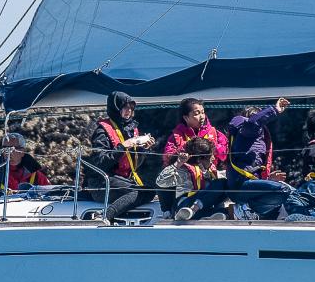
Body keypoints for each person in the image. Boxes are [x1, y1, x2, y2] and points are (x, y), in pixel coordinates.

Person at [88, 91, 155, 222]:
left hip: (122, 180)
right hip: (102, 182)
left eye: (131, 108)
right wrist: (123, 147)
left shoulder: (130, 129)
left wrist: (143, 149)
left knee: (151, 190)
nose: (128, 111)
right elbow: (100, 162)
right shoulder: (102, 131)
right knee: (137, 192)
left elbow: (133, 165)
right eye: (125, 107)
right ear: (116, 108)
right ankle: (104, 216)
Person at [225, 98, 293, 219]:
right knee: (283, 190)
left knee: (282, 204)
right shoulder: (245, 130)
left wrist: (268, 179)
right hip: (242, 184)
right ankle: (245, 209)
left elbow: (253, 167)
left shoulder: (249, 137)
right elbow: (253, 123)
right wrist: (274, 110)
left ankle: (250, 212)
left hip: (246, 184)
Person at [156, 136, 228, 221]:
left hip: (201, 208)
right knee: (219, 183)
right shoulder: (183, 171)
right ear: (199, 159)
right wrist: (178, 163)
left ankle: (204, 217)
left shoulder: (209, 171)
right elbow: (160, 182)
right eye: (211, 156)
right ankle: (189, 212)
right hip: (185, 206)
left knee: (222, 184)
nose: (213, 158)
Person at [163, 98, 228, 169]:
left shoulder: (215, 133)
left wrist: (211, 147)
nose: (202, 117)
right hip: (185, 175)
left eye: (203, 112)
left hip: (210, 174)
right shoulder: (176, 136)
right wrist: (187, 148)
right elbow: (168, 159)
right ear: (186, 118)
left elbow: (225, 155)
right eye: (197, 113)